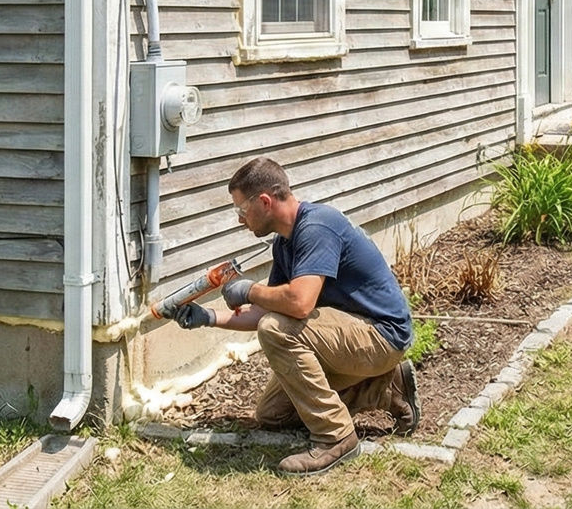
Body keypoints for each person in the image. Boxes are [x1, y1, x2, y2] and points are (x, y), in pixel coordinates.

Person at [173, 156, 420, 476]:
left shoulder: (318, 226)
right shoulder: (284, 244)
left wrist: (249, 290)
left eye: (240, 210)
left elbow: (299, 304)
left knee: (276, 329)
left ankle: (336, 438)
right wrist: (208, 316)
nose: (240, 220)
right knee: (273, 414)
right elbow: (267, 310)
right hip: (349, 341)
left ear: (264, 201)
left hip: (381, 335)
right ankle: (385, 387)